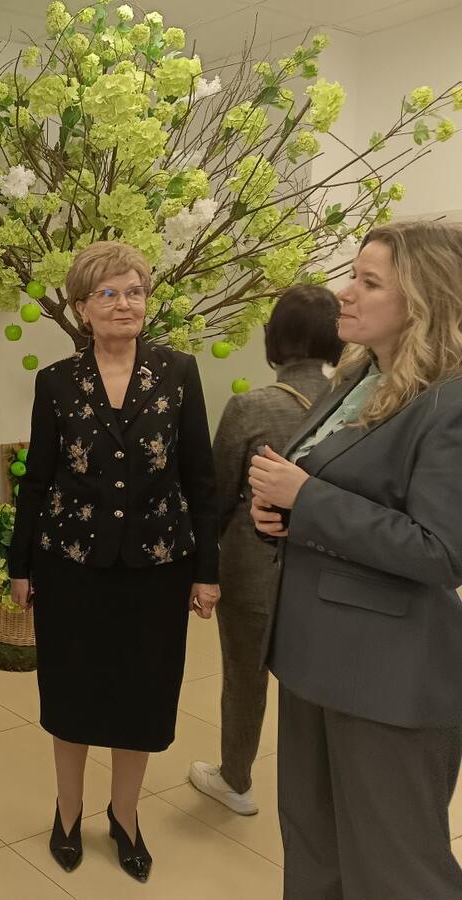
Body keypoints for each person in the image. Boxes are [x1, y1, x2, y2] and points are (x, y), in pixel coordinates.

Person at [250, 220, 462, 899]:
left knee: (395, 871)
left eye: (369, 282)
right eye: (353, 275)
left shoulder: (449, 402)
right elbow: (334, 496)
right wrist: (280, 518)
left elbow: (441, 549)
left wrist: (306, 498)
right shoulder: (357, 377)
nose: (344, 292)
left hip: (386, 676)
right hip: (314, 657)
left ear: (424, 300)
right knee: (314, 850)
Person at [8, 241, 220, 883]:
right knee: (71, 692)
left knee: (142, 696)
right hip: (72, 563)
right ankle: (67, 811)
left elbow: (200, 476)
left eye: (134, 291)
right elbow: (37, 479)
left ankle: (124, 816)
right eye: (108, 293)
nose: (124, 304)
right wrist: (21, 565)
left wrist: (207, 570)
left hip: (158, 565)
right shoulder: (56, 381)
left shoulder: (179, 372)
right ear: (82, 307)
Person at [188, 286, 344, 815]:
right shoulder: (356, 404)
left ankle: (236, 780)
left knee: (244, 677)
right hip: (324, 569)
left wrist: (202, 567)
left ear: (274, 337)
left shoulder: (251, 406)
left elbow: (216, 495)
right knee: (316, 681)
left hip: (251, 569)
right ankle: (323, 791)